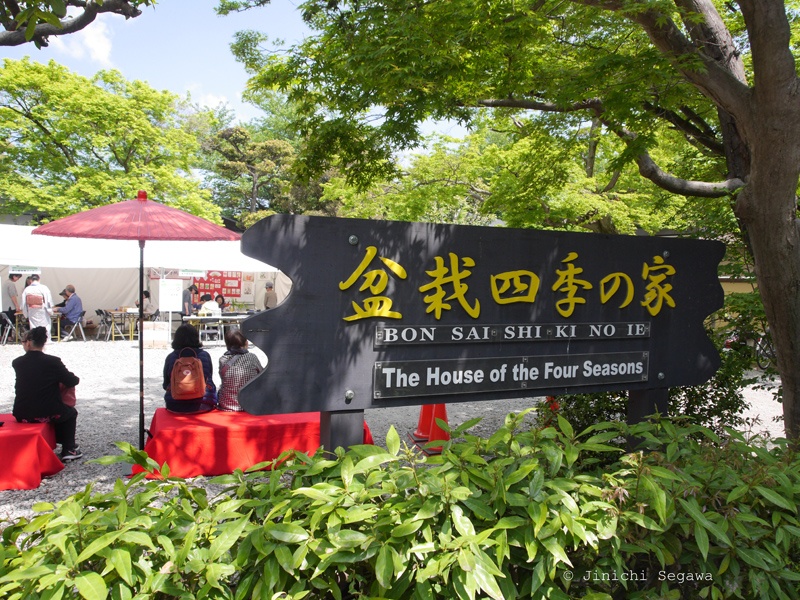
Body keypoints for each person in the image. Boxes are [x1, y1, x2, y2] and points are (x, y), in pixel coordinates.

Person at [12, 326, 82, 461]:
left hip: (22, 413)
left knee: (54, 408)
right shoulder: (53, 361)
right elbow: (72, 380)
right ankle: (68, 448)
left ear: (28, 342)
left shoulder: (17, 363)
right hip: (48, 412)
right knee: (70, 413)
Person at [162, 324, 216, 413]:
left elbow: (166, 384)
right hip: (203, 404)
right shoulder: (204, 356)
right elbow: (208, 377)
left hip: (175, 404)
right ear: (196, 337)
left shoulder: (171, 357)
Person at [217, 329, 263, 412]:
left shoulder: (222, 360)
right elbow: (262, 374)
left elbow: (223, 379)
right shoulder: (252, 357)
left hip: (227, 405)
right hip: (249, 404)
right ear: (245, 342)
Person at [20, 274, 53, 340]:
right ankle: (46, 339)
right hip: (42, 309)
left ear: (31, 280)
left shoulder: (27, 289)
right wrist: (50, 310)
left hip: (31, 309)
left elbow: (23, 302)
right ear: (39, 279)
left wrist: (25, 313)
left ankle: (35, 340)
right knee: (45, 325)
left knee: (33, 325)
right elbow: (48, 300)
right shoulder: (44, 287)